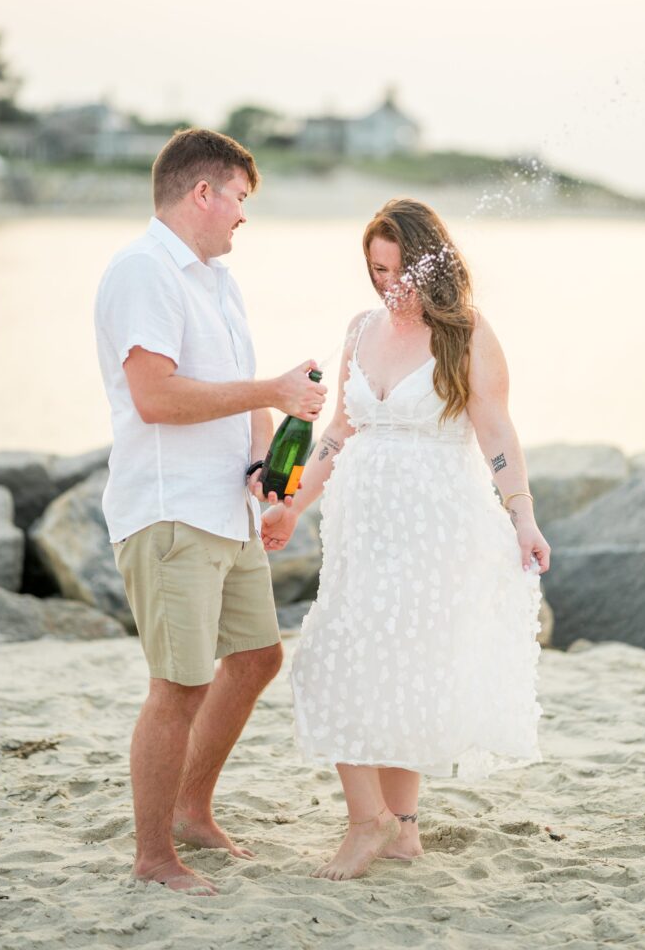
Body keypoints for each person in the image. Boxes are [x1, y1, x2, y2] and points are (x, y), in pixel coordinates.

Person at [260, 198, 549, 882]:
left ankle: (378, 824)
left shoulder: (466, 333)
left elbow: (496, 433)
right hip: (361, 529)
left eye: (397, 270)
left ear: (430, 262)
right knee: (345, 660)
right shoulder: (360, 329)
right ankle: (397, 831)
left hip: (435, 528)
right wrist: (294, 505)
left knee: (390, 670)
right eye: (375, 271)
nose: (388, 286)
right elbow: (337, 431)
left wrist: (523, 516)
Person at [94, 129, 326, 895]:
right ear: (202, 193)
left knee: (257, 657)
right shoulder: (142, 270)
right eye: (238, 198)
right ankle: (153, 856)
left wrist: (263, 464)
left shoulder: (215, 280)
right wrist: (272, 392)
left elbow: (239, 384)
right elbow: (155, 398)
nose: (241, 217)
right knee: (179, 685)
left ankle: (192, 811)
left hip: (224, 508)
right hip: (169, 511)